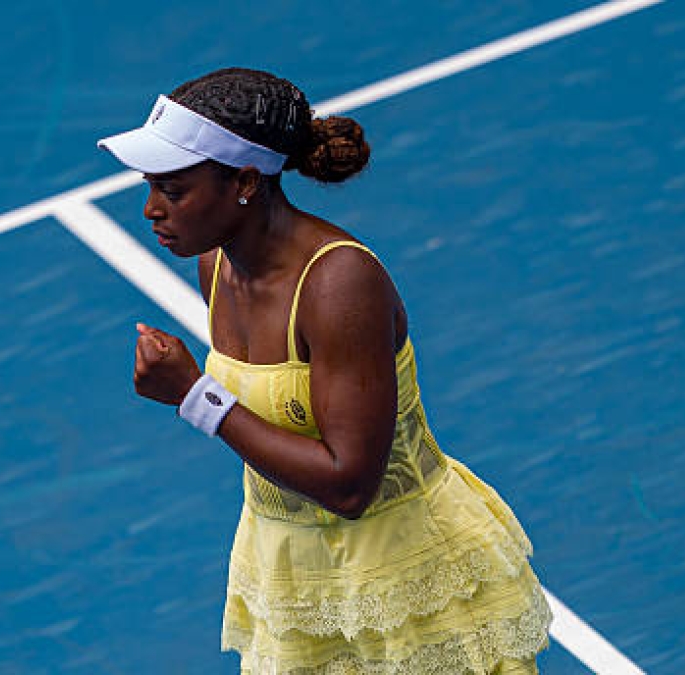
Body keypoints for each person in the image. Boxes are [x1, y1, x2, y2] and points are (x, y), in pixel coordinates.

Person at [97, 67, 552, 674]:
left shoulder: (339, 285)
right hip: (294, 578)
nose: (151, 209)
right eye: (151, 187)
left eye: (173, 191)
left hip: (403, 579)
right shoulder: (216, 266)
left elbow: (349, 485)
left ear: (245, 182)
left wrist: (195, 397)